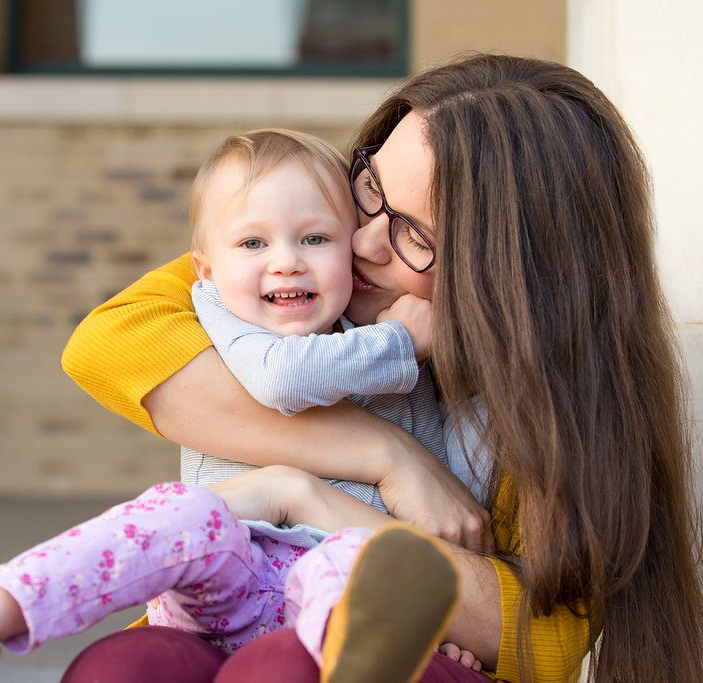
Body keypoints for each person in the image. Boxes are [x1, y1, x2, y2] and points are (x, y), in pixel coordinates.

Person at [60, 54, 703, 682]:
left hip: (395, 644)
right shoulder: (303, 251)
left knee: (287, 667)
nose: (362, 241)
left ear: (513, 277)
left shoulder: (561, 404)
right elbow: (110, 344)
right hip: (237, 610)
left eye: (416, 235)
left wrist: (307, 499)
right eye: (370, 187)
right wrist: (387, 456)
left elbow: (544, 639)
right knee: (122, 666)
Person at [0, 129, 480, 683]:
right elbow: (284, 380)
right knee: (180, 514)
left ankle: (364, 657)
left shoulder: (369, 334)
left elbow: (453, 500)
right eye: (252, 242)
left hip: (319, 582)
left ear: (349, 251)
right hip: (232, 569)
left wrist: (446, 631)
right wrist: (401, 341)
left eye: (316, 238)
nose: (286, 260)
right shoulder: (229, 316)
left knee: (364, 564)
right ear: (203, 270)